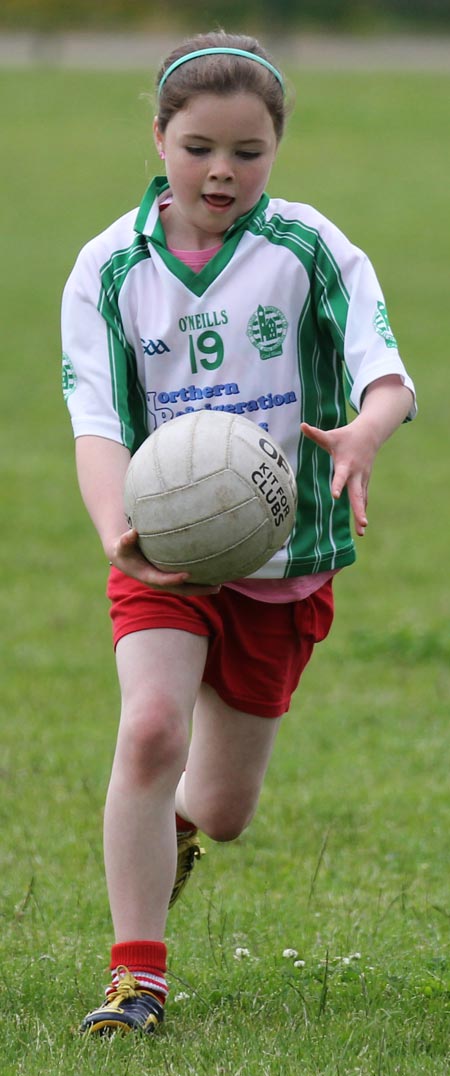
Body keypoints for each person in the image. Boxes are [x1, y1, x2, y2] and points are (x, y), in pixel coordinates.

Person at [61, 29, 416, 1036]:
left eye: (249, 151)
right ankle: (138, 979)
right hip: (161, 545)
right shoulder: (109, 267)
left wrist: (364, 430)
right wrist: (116, 531)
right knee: (151, 728)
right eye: (200, 146)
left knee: (221, 807)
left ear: (276, 148)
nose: (223, 170)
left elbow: (382, 366)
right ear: (161, 137)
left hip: (284, 554)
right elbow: (96, 419)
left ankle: (174, 834)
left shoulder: (308, 246)